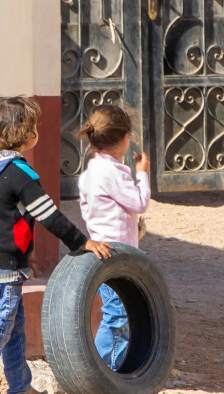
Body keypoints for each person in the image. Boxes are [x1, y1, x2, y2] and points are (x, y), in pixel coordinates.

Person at [0, 96, 113, 394]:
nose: (36, 131)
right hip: (2, 266)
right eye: (33, 126)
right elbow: (49, 215)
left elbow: (0, 219)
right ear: (21, 134)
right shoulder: (19, 173)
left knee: (12, 327)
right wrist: (82, 242)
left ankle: (20, 387)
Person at [78, 104, 151, 371]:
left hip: (101, 247)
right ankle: (101, 373)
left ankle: (108, 371)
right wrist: (142, 172)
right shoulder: (113, 173)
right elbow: (140, 202)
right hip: (117, 255)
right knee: (118, 315)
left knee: (116, 312)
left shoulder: (89, 173)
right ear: (122, 139)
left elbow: (90, 210)